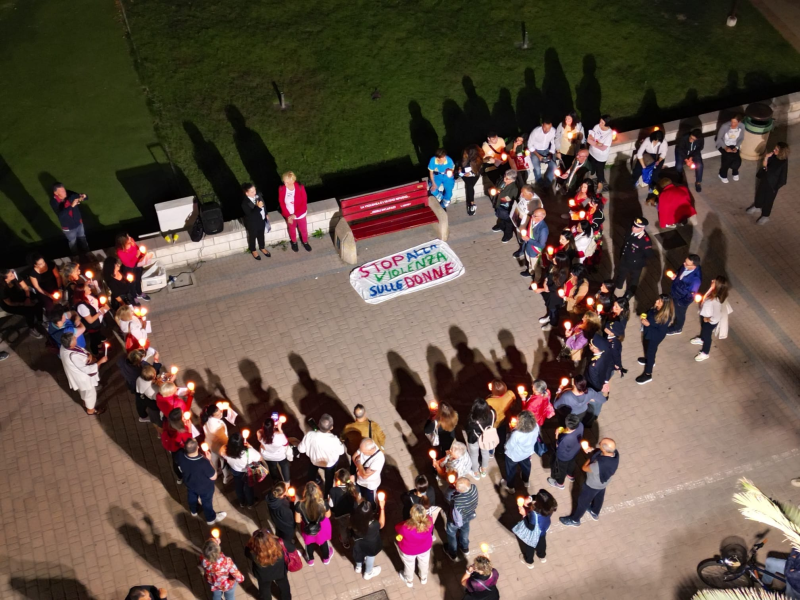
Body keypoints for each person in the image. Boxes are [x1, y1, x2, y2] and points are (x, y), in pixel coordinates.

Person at [560, 438, 619, 527]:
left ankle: (575, 520)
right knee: (599, 496)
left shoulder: (598, 465)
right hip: (604, 482)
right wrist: (591, 450)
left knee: (582, 502)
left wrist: (591, 457)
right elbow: (601, 453)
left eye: (600, 444)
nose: (599, 443)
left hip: (592, 485)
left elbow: (584, 468)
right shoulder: (615, 454)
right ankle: (595, 511)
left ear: (604, 449)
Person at [178, 439, 226, 525]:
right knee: (206, 502)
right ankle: (210, 519)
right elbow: (214, 476)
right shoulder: (203, 462)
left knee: (192, 496)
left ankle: (194, 510)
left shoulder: (180, 455)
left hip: (190, 483)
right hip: (204, 487)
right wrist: (209, 460)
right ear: (197, 447)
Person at [297, 413, 346, 495]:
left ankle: (311, 490)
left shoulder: (309, 435)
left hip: (314, 461)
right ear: (331, 427)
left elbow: (301, 450)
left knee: (311, 473)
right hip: (330, 464)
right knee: (329, 479)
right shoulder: (334, 440)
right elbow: (341, 452)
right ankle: (327, 495)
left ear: (318, 424)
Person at [59, 332, 107, 415]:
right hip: (83, 379)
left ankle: (85, 402)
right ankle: (91, 410)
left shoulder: (64, 347)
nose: (75, 338)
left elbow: (81, 350)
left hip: (77, 377)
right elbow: (87, 369)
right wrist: (100, 361)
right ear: (70, 343)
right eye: (74, 338)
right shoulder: (73, 356)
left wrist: (89, 355)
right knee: (90, 394)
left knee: (83, 392)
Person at [636, 294, 675, 384]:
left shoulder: (664, 318)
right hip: (648, 334)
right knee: (647, 349)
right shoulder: (655, 309)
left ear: (664, 305)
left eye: (660, 301)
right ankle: (650, 361)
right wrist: (644, 316)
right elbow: (648, 313)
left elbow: (660, 333)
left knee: (650, 352)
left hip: (654, 337)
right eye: (658, 299)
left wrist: (648, 325)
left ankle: (648, 374)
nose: (657, 301)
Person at [747, 142, 790, 224]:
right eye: (775, 148)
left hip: (772, 185)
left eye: (777, 149)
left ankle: (765, 216)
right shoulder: (773, 156)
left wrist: (775, 187)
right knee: (760, 194)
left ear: (781, 152)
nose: (774, 150)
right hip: (765, 179)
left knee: (768, 200)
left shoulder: (783, 163)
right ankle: (757, 206)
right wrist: (766, 158)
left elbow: (783, 179)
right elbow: (764, 166)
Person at [514, 489, 557, 569]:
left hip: (534, 532)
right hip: (544, 527)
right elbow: (536, 497)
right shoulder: (550, 506)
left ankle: (529, 562)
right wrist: (530, 498)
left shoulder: (534, 513)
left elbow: (530, 526)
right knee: (542, 542)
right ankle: (542, 556)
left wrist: (524, 514)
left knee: (530, 546)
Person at [692, 276, 730, 362]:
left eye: (714, 281)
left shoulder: (716, 301)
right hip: (705, 315)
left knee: (707, 336)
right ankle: (702, 339)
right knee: (703, 330)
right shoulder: (713, 292)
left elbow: (716, 317)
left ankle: (705, 353)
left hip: (709, 321)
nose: (712, 280)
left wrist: (707, 320)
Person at [245, 529, 292, 600]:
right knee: (283, 584)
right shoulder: (279, 544)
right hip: (280, 571)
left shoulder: (252, 551)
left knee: (264, 588)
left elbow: (246, 553)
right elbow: (291, 548)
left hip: (263, 575)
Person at [395, 503, 434, 587]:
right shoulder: (430, 520)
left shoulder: (406, 527)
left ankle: (409, 581)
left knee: (409, 565)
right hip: (425, 547)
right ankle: (423, 578)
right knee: (424, 562)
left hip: (409, 550)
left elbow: (397, 528)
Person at [221, 429, 262, 508]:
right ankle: (251, 503)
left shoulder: (225, 451)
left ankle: (242, 502)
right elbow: (260, 458)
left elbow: (221, 450)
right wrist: (250, 447)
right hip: (247, 471)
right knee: (248, 488)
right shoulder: (249, 452)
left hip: (235, 471)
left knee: (238, 486)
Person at [294, 481, 333, 565]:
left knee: (309, 543)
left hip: (308, 527)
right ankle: (326, 558)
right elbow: (328, 515)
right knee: (323, 542)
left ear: (305, 492)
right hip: (322, 526)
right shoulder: (323, 503)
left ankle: (310, 559)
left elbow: (297, 520)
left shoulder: (299, 505)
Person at [613, 217, 653, 298]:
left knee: (634, 280)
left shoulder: (645, 241)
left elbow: (649, 254)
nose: (633, 228)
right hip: (625, 259)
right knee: (621, 273)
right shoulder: (630, 231)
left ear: (642, 228)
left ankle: (629, 294)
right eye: (633, 226)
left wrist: (639, 258)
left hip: (635, 264)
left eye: (636, 227)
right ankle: (618, 286)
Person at [500, 411, 539, 493]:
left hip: (514, 456)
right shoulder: (536, 427)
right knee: (526, 467)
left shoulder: (517, 434)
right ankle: (526, 481)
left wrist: (512, 430)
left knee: (511, 471)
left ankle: (510, 487)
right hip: (527, 453)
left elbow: (509, 446)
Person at [666, 254, 702, 336]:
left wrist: (681, 303)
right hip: (674, 291)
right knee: (667, 303)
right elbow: (680, 270)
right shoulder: (685, 265)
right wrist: (675, 274)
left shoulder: (695, 280)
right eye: (685, 261)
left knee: (680, 314)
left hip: (681, 298)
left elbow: (691, 295)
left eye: (687, 263)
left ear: (694, 266)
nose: (684, 263)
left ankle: (678, 328)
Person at [444, 477, 479, 561]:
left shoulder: (457, 502)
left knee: (451, 534)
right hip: (469, 514)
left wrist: (451, 488)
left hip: (459, 519)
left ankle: (452, 552)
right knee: (465, 530)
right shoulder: (474, 487)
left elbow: (447, 497)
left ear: (459, 490)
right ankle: (465, 547)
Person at [533, 250, 570, 331]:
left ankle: (553, 323)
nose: (553, 259)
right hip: (549, 292)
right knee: (549, 307)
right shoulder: (554, 265)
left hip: (555, 296)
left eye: (555, 259)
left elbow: (554, 287)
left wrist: (541, 289)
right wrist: (545, 281)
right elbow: (547, 271)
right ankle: (549, 316)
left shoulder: (562, 274)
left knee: (554, 310)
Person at [350, 498, 386, 580]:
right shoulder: (373, 524)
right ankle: (368, 573)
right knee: (370, 556)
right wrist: (382, 507)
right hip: (370, 544)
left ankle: (358, 567)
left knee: (358, 552)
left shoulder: (353, 518)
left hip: (357, 541)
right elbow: (382, 524)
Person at [0, 269, 42, 337]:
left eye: (12, 273)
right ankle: (32, 328)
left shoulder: (15, 276)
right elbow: (9, 303)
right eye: (11, 275)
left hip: (19, 295)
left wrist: (28, 298)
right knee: (28, 311)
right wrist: (24, 304)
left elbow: (25, 287)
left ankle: (40, 321)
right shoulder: (2, 289)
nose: (13, 275)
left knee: (38, 300)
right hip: (10, 304)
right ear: (5, 279)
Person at [50, 182, 89, 255]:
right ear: (56, 193)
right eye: (62, 191)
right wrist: (71, 205)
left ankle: (88, 254)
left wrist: (84, 196)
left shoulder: (69, 194)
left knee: (83, 239)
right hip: (68, 228)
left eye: (64, 190)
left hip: (79, 223)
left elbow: (85, 197)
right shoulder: (53, 202)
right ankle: (76, 257)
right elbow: (61, 215)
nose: (65, 192)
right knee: (72, 242)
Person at [547, 414, 584, 489]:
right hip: (575, 451)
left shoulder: (565, 438)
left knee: (561, 469)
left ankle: (559, 483)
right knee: (571, 463)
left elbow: (558, 446)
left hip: (564, 456)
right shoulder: (580, 425)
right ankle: (570, 475)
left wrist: (557, 435)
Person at [71, 281, 109, 354]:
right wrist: (101, 312)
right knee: (94, 338)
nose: (89, 288)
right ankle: (95, 352)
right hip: (93, 326)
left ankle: (99, 344)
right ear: (83, 293)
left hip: (97, 323)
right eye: (87, 288)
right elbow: (90, 321)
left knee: (97, 335)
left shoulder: (88, 296)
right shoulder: (82, 306)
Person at [278, 171, 311, 252]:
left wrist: (294, 215)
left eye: (287, 182)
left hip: (300, 215)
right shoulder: (282, 189)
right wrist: (288, 216)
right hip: (288, 215)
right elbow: (281, 203)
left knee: (303, 230)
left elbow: (304, 204)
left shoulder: (300, 187)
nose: (285, 184)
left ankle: (305, 242)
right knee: (292, 229)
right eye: (284, 182)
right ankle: (294, 242)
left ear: (293, 181)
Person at [464, 397, 496, 479]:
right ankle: (484, 470)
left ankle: (475, 472)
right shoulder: (492, 413)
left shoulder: (472, 420)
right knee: (485, 453)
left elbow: (467, 428)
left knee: (474, 455)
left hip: (475, 438)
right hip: (487, 438)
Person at [115, 233, 151, 301]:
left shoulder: (131, 241)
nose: (129, 237)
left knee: (138, 280)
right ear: (123, 241)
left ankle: (139, 292)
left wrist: (143, 254)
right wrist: (137, 256)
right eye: (127, 237)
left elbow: (137, 249)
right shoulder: (120, 252)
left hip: (138, 265)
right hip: (130, 269)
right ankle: (134, 296)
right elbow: (129, 263)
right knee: (132, 283)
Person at [329, 468, 359, 548]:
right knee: (353, 525)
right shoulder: (355, 487)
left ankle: (345, 541)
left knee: (343, 527)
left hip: (341, 514)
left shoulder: (333, 490)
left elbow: (331, 505)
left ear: (337, 480)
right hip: (353, 513)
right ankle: (355, 536)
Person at [162, 408, 194, 483]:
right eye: (183, 416)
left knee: (175, 462)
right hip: (180, 449)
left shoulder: (167, 423)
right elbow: (189, 442)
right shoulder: (181, 432)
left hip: (172, 448)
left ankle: (179, 477)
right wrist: (189, 429)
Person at [241, 182, 272, 260]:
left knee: (261, 234)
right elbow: (251, 215)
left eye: (254, 190)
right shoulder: (245, 203)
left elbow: (263, 203)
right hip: (252, 223)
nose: (254, 193)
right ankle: (253, 250)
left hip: (261, 220)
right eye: (252, 192)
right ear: (247, 193)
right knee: (253, 236)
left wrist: (266, 213)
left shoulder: (257, 195)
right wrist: (257, 207)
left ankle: (262, 247)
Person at [202, 403, 231, 483]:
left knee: (214, 459)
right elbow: (223, 437)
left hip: (211, 445)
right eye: (217, 415)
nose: (220, 415)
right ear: (212, 415)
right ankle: (226, 477)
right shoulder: (218, 426)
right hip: (219, 446)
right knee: (223, 461)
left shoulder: (207, 420)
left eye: (220, 412)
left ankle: (214, 472)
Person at [257, 416, 291, 483]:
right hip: (280, 455)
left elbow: (261, 439)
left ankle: (276, 481)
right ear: (273, 427)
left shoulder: (259, 433)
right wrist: (279, 429)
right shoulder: (279, 436)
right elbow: (286, 444)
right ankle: (287, 482)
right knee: (284, 465)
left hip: (268, 456)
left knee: (272, 467)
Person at [267, 482, 298, 552]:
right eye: (287, 489)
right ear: (283, 494)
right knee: (286, 539)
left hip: (277, 521)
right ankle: (286, 549)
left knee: (279, 533)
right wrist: (292, 502)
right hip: (286, 527)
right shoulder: (284, 509)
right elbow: (291, 520)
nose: (288, 489)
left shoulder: (271, 496)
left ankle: (280, 541)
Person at [517, 208, 548, 278]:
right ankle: (530, 271)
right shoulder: (533, 220)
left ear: (541, 218)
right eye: (533, 214)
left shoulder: (543, 229)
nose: (532, 216)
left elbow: (541, 245)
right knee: (529, 261)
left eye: (535, 216)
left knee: (535, 267)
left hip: (534, 251)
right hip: (528, 247)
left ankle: (536, 279)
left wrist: (528, 239)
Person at [491, 169, 519, 243]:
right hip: (499, 204)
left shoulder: (514, 188)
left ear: (512, 180)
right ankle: (501, 226)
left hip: (506, 208)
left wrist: (500, 195)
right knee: (501, 217)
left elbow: (511, 198)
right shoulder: (503, 182)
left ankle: (508, 235)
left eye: (506, 178)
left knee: (508, 221)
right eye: (504, 177)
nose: (504, 179)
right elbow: (498, 188)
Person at [352, 437, 384, 503]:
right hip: (359, 481)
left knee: (371, 500)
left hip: (370, 484)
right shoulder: (364, 447)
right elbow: (354, 457)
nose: (361, 453)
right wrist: (359, 468)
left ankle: (373, 510)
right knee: (361, 495)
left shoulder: (379, 459)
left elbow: (364, 475)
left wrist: (358, 463)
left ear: (371, 450)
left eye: (364, 452)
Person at [715, 114, 745, 183]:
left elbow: (741, 138)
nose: (732, 124)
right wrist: (725, 147)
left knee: (737, 158)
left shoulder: (742, 126)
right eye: (732, 122)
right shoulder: (725, 126)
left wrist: (737, 147)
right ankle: (722, 175)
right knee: (727, 158)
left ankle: (735, 172)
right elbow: (719, 138)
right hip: (723, 144)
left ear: (739, 122)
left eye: (735, 122)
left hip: (734, 144)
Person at [587, 115, 614, 190]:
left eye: (602, 122)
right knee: (592, 165)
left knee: (600, 170)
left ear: (607, 124)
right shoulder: (597, 127)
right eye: (600, 121)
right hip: (592, 152)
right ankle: (591, 174)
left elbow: (603, 148)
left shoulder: (609, 134)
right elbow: (590, 137)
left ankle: (600, 182)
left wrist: (594, 143)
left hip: (601, 157)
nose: (600, 123)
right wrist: (597, 143)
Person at [526, 119, 557, 185]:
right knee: (537, 168)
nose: (546, 130)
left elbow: (554, 143)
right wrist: (538, 156)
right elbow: (529, 145)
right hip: (535, 151)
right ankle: (539, 182)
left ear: (551, 126)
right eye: (545, 127)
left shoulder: (553, 131)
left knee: (554, 165)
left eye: (548, 128)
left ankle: (547, 182)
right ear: (542, 125)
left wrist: (550, 153)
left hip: (546, 150)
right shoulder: (536, 131)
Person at [459, 144, 484, 216]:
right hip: (465, 174)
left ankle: (471, 204)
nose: (465, 154)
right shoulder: (464, 158)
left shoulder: (478, 160)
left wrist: (470, 174)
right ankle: (472, 203)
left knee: (470, 185)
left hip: (474, 174)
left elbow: (479, 172)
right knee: (470, 185)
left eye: (466, 153)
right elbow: (460, 164)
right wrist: (461, 171)